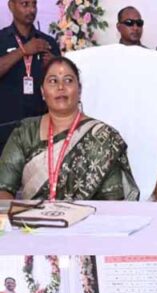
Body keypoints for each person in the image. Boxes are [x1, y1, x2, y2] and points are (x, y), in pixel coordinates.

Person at [0, 56, 140, 200]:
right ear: (42, 92)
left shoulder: (104, 137)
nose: (61, 87)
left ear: (79, 90)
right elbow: (3, 187)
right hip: (33, 215)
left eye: (68, 80)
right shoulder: (25, 132)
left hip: (92, 214)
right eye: (53, 81)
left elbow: (113, 201)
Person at [0, 0, 61, 153]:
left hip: (42, 128)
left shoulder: (48, 42)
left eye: (34, 4)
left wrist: (55, 65)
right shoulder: (1, 39)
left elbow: (62, 81)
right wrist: (23, 51)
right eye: (25, 4)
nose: (31, 10)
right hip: (6, 128)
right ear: (11, 6)